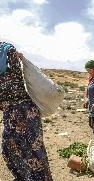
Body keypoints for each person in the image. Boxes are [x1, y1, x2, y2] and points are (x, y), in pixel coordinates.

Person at [0, 42, 53, 180]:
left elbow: (12, 83)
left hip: (24, 110)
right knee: (9, 147)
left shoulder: (7, 51)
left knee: (33, 150)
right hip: (9, 113)